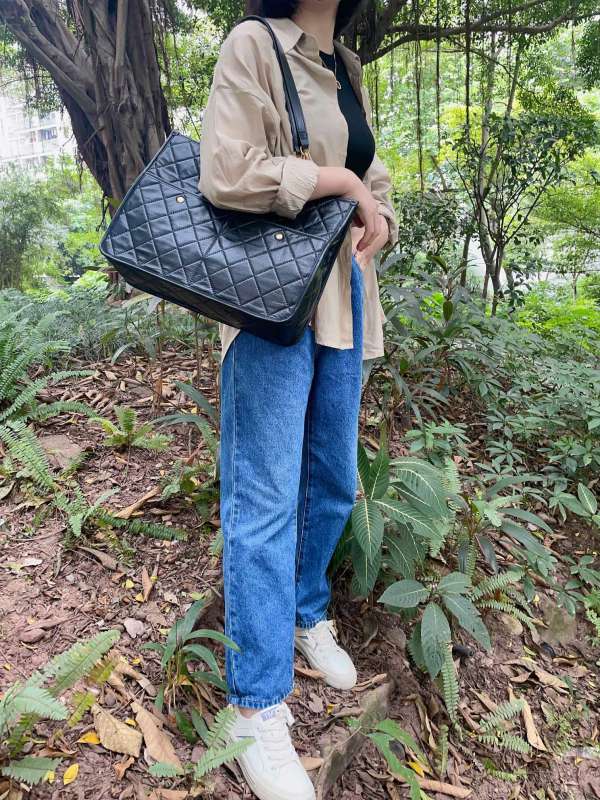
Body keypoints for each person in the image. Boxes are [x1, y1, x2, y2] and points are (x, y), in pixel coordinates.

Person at [198, 1, 398, 798]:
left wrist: (379, 212)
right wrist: (337, 182)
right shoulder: (252, 44)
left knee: (332, 478)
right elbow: (227, 170)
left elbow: (373, 175)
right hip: (271, 300)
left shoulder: (346, 66)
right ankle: (253, 704)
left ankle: (306, 611)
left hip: (346, 294)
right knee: (266, 494)